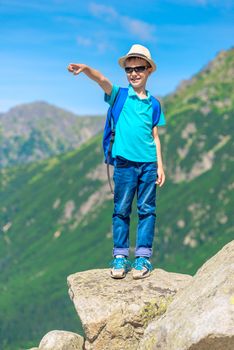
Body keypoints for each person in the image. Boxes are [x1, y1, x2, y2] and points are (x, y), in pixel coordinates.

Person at [67, 44, 166, 280]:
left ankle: (142, 258)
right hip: (124, 164)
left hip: (149, 165)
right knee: (121, 210)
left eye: (139, 68)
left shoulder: (154, 104)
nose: (133, 73)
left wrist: (160, 165)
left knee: (147, 210)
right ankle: (120, 256)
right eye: (129, 69)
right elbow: (101, 80)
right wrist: (87, 69)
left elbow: (155, 136)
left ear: (149, 70)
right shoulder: (119, 96)